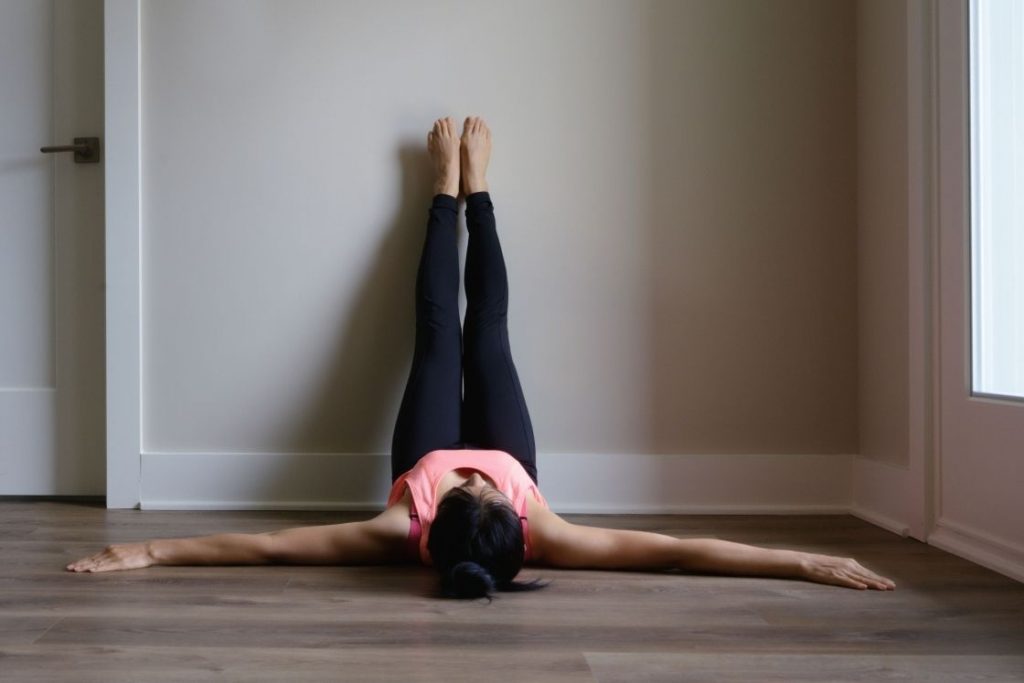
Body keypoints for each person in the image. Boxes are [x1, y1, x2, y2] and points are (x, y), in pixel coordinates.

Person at [67, 116, 896, 599]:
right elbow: (677, 548)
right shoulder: (541, 525)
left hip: (412, 453)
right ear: (519, 523)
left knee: (437, 329)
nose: (473, 472)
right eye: (481, 484)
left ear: (430, 524)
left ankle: (441, 191)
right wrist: (803, 560)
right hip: (518, 447)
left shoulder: (402, 522)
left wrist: (154, 549)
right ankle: (482, 191)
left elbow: (272, 547)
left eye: (470, 485)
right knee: (488, 330)